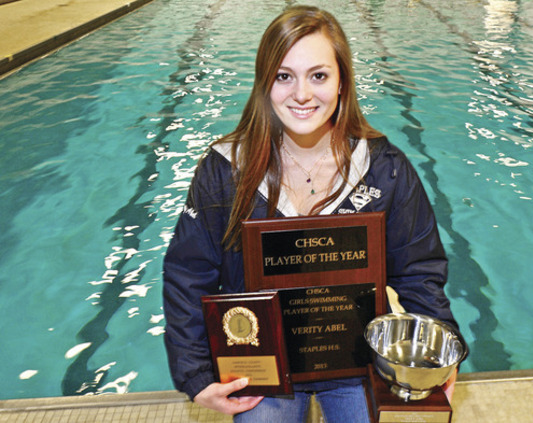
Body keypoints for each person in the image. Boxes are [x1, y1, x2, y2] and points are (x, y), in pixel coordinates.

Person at [163, 5, 458, 422]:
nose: (302, 94)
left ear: (342, 83)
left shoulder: (384, 169)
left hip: (356, 363)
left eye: (318, 75)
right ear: (265, 83)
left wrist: (439, 345)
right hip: (263, 367)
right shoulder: (226, 171)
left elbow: (418, 270)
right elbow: (188, 273)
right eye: (284, 76)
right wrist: (195, 375)